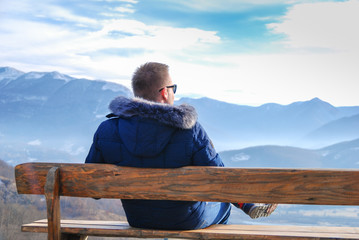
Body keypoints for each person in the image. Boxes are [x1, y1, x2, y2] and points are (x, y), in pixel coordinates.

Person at [85, 62, 277, 230]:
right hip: (185, 219)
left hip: (137, 218)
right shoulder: (188, 130)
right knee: (224, 206)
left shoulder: (107, 129)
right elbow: (220, 178)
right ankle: (246, 205)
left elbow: (92, 185)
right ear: (164, 92)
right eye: (173, 87)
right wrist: (248, 204)